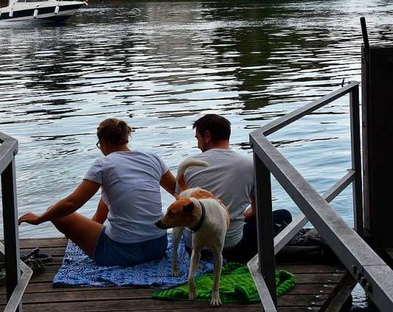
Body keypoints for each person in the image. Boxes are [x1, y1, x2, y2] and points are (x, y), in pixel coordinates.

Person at [18, 118, 177, 266]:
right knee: (112, 190)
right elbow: (179, 192)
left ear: (103, 143)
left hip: (122, 253)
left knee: (56, 213)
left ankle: (97, 235)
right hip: (158, 246)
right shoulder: (152, 159)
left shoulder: (104, 164)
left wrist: (39, 219)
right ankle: (95, 226)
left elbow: (71, 203)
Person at [180, 114, 292, 264]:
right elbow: (259, 209)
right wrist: (239, 216)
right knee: (283, 215)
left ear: (207, 136)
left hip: (194, 248)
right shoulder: (249, 165)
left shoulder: (188, 166)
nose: (198, 145)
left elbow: (181, 207)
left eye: (197, 138)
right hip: (232, 248)